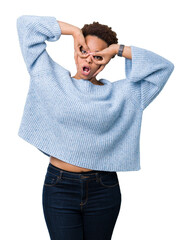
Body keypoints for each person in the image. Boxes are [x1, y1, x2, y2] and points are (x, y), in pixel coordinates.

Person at [16, 15, 174, 240]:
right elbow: (26, 26)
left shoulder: (123, 95)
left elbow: (163, 68)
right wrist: (73, 32)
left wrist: (117, 50)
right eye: (84, 51)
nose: (89, 60)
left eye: (98, 56)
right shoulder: (50, 79)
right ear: (76, 51)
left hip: (104, 188)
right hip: (59, 187)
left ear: (106, 61)